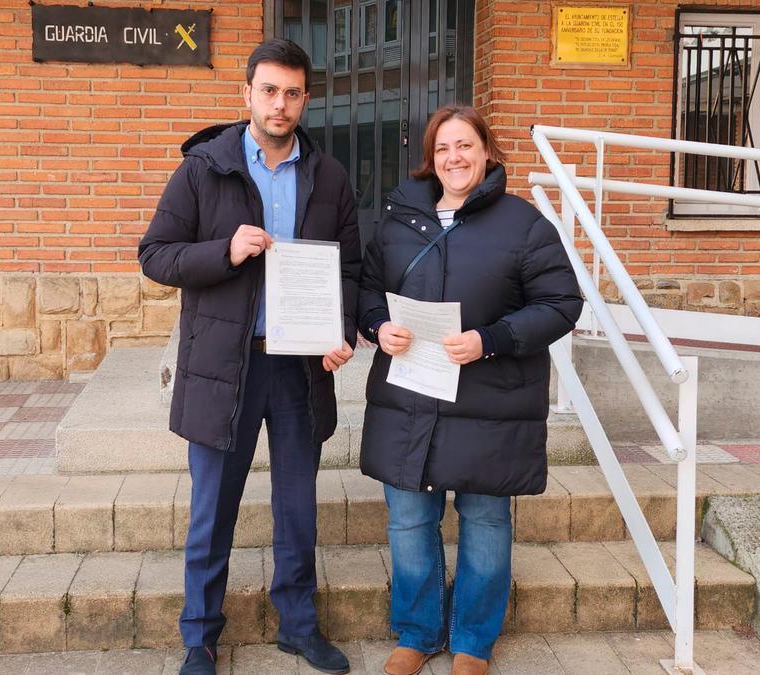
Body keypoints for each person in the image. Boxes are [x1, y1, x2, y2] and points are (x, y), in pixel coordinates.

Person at [138, 38, 359, 675]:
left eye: (292, 93)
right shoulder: (202, 170)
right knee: (213, 509)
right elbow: (156, 255)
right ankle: (200, 637)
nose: (280, 104)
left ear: (306, 100)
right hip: (222, 366)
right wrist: (225, 251)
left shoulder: (330, 176)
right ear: (247, 95)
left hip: (299, 366)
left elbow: (349, 270)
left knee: (298, 505)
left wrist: (341, 327)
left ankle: (298, 625)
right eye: (269, 90)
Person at [357, 105, 583, 675]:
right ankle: (418, 632)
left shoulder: (523, 224)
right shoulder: (397, 220)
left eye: (465, 146)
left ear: (487, 151)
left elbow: (561, 304)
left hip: (490, 401)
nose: (454, 158)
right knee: (409, 521)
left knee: (485, 520)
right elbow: (365, 292)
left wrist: (492, 339)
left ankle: (473, 642)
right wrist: (377, 327)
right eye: (442, 150)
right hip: (408, 399)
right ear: (430, 160)